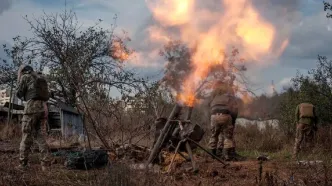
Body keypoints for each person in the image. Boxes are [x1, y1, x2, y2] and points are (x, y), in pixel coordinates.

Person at [16, 65, 50, 171]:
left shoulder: (25, 77)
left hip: (31, 108)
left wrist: (19, 78)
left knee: (26, 136)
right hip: (43, 107)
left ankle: (23, 165)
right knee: (41, 137)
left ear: (23, 71)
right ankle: (45, 166)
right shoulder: (41, 77)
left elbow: (19, 93)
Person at [208, 85, 240, 161]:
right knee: (227, 137)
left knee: (214, 135)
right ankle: (226, 155)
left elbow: (210, 107)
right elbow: (235, 110)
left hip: (213, 116)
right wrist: (233, 121)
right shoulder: (230, 96)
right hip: (225, 115)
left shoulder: (215, 97)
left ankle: (212, 155)